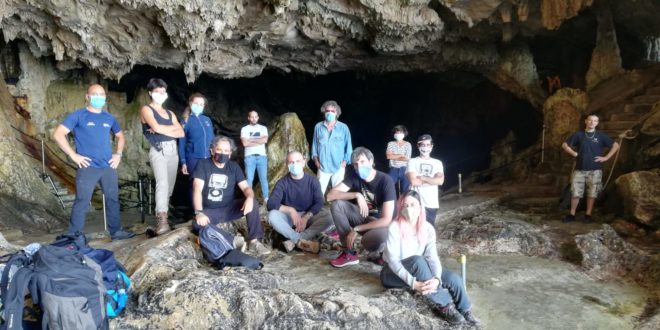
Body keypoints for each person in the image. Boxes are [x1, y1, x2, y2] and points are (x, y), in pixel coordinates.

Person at [381, 190, 480, 325]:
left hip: (418, 269)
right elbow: (393, 261)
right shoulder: (394, 227)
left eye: (412, 204)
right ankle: (445, 306)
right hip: (391, 274)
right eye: (405, 205)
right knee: (418, 261)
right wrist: (414, 284)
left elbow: (432, 256)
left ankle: (465, 310)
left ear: (420, 207)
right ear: (400, 208)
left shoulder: (427, 229)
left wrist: (437, 279)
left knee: (453, 278)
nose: (408, 208)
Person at [52, 84, 135, 240]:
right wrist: (73, 155)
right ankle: (73, 234)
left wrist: (118, 154)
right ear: (87, 97)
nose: (99, 97)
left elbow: (120, 137)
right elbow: (58, 134)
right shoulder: (78, 115)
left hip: (108, 166)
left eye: (102, 95)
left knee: (112, 199)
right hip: (88, 166)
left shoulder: (109, 118)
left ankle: (116, 232)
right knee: (82, 200)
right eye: (95, 94)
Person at [192, 136, 270, 255]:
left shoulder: (233, 167)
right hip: (211, 211)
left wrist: (249, 197)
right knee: (197, 223)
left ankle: (254, 242)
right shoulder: (203, 164)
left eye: (226, 151)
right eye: (219, 150)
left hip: (229, 208)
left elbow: (245, 188)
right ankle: (233, 241)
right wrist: (199, 212)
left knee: (253, 202)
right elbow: (197, 189)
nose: (223, 153)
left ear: (230, 153)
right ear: (212, 150)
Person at [327, 147, 396, 267]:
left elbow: (386, 220)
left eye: (362, 162)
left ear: (370, 161)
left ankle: (383, 253)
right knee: (337, 204)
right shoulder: (354, 176)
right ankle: (349, 252)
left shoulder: (385, 181)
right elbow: (330, 196)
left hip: (382, 225)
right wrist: (356, 195)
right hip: (364, 217)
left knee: (370, 241)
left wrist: (356, 229)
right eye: (355, 164)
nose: (359, 167)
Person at [140, 78, 184, 235]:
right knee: (162, 184)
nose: (161, 94)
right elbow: (156, 127)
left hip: (173, 150)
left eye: (163, 91)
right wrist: (167, 128)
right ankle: (162, 221)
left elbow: (181, 132)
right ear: (151, 93)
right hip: (159, 150)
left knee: (169, 187)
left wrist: (161, 129)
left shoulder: (169, 113)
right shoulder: (146, 109)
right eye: (157, 92)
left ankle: (165, 215)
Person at [267, 151, 333, 253]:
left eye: (297, 161)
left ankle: (296, 239)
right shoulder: (282, 183)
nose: (295, 164)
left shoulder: (313, 180)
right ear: (287, 165)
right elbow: (271, 203)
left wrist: (306, 217)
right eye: (291, 162)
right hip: (289, 219)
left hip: (309, 216)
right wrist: (291, 210)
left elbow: (319, 202)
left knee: (329, 216)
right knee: (272, 215)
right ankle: (299, 241)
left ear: (303, 162)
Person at [561, 114, 620, 222]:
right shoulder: (579, 135)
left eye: (595, 121)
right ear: (586, 121)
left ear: (597, 123)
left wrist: (606, 157)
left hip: (595, 170)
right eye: (590, 120)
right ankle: (572, 215)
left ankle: (588, 215)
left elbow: (616, 145)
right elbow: (565, 145)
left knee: (592, 193)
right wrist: (574, 153)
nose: (592, 122)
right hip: (579, 169)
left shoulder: (600, 136)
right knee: (575, 193)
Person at [311, 100, 353, 195]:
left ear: (337, 113)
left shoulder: (344, 128)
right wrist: (316, 161)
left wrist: (345, 162)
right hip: (323, 166)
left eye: (332, 111)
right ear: (324, 112)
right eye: (327, 111)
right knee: (318, 194)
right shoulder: (318, 127)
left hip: (339, 166)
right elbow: (314, 145)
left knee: (337, 194)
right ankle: (316, 209)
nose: (329, 113)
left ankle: (337, 210)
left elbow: (348, 146)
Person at [406, 134, 444, 225]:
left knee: (428, 229)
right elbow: (413, 181)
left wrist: (422, 178)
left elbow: (440, 181)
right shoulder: (412, 161)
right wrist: (432, 180)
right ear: (418, 146)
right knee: (412, 229)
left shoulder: (437, 163)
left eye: (428, 145)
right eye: (422, 145)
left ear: (432, 146)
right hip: (414, 202)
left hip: (431, 203)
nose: (425, 147)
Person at [179, 93, 215, 178]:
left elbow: (212, 138)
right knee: (195, 185)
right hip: (193, 158)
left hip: (209, 157)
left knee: (208, 185)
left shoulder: (207, 119)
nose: (198, 106)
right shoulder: (185, 121)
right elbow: (181, 143)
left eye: (201, 104)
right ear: (191, 104)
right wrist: (183, 161)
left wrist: (214, 154)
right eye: (196, 103)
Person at [240, 110, 269, 202]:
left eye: (255, 116)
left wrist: (250, 141)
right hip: (249, 157)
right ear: (248, 118)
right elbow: (244, 143)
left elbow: (264, 140)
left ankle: (266, 198)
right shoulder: (244, 129)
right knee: (249, 179)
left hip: (262, 157)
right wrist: (258, 140)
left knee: (263, 178)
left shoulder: (263, 128)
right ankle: (248, 199)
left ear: (258, 117)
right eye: (252, 117)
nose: (254, 118)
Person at [386, 125, 412, 196]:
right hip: (393, 169)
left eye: (400, 132)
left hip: (405, 169)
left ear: (404, 133)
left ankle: (404, 204)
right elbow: (388, 156)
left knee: (405, 190)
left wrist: (394, 156)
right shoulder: (390, 144)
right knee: (388, 186)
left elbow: (407, 158)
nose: (398, 134)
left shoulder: (408, 144)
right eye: (396, 132)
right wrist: (401, 155)